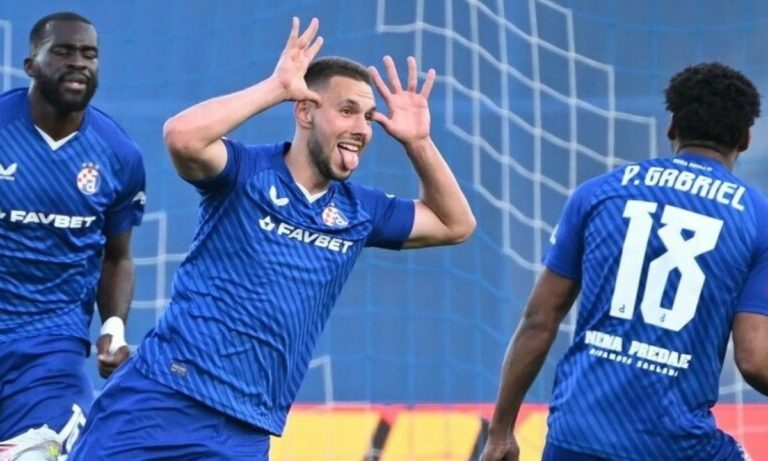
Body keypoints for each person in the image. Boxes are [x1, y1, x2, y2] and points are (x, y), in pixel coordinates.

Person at [70, 16, 474, 460]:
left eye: (368, 117)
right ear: (305, 111)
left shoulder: (362, 210)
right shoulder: (246, 172)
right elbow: (182, 137)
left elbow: (454, 224)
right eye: (347, 111)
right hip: (162, 396)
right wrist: (276, 87)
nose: (362, 128)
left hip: (244, 429)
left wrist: (418, 142)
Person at [480, 62, 768, 461]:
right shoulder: (757, 218)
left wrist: (500, 432)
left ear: (672, 126)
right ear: (746, 138)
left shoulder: (599, 192)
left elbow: (539, 318)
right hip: (673, 444)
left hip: (575, 436)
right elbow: (754, 361)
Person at [0, 11, 146, 460]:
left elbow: (117, 257)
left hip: (50, 347)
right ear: (30, 65)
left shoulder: (118, 154)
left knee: (43, 451)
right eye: (62, 51)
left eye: (89, 54)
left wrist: (114, 327)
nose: (78, 62)